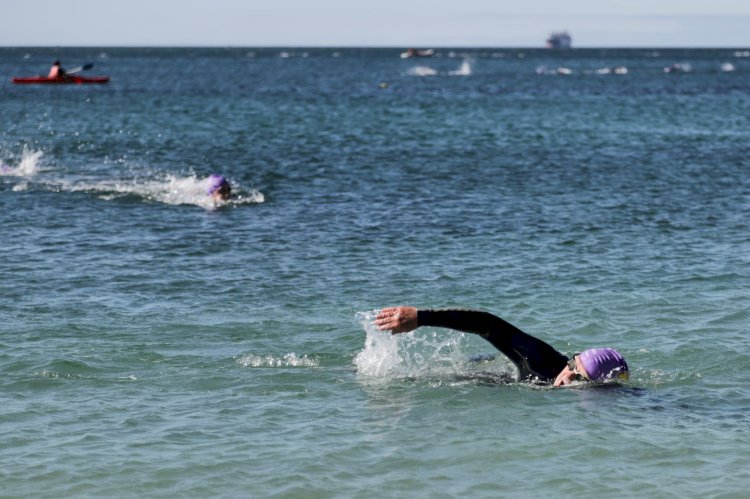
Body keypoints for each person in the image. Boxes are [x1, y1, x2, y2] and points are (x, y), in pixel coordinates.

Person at [374, 306, 629, 387]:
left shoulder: (603, 393)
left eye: (579, 378)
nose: (567, 377)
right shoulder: (543, 361)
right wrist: (422, 317)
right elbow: (488, 325)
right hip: (489, 375)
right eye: (572, 366)